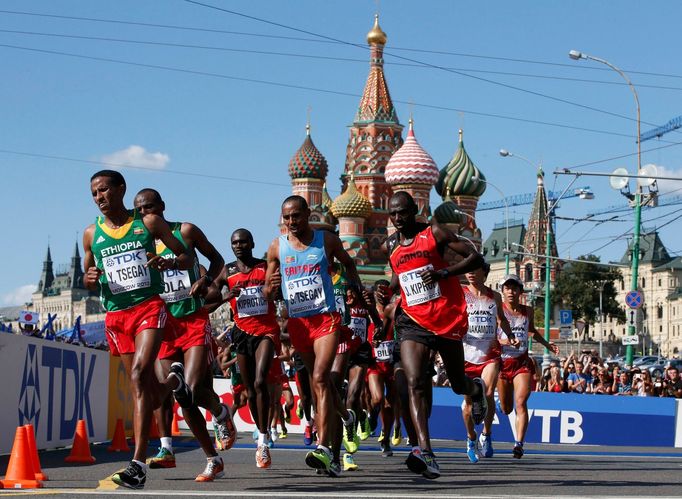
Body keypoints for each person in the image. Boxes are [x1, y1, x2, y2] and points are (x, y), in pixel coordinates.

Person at [83, 171, 194, 489]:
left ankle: (137, 464)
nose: (99, 197)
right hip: (116, 316)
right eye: (94, 193)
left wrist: (168, 263)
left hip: (148, 308)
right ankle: (174, 380)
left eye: (104, 190)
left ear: (120, 190)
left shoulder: (148, 223)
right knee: (143, 389)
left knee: (137, 377)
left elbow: (186, 257)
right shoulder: (91, 233)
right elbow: (88, 273)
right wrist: (89, 279)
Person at [382, 191, 487, 479]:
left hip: (445, 316)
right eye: (393, 214)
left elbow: (475, 258)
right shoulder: (391, 245)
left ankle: (476, 390)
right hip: (412, 320)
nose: (398, 218)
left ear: (414, 210)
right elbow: (398, 276)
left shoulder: (434, 233)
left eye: (402, 212)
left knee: (456, 384)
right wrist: (385, 288)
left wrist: (444, 274)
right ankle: (425, 452)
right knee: (414, 380)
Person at [133, 189, 234, 482]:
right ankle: (212, 458)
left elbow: (217, 260)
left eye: (150, 207)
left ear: (162, 207)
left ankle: (220, 412)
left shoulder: (185, 232)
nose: (145, 214)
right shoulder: (136, 242)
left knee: (188, 393)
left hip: (192, 321)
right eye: (139, 210)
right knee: (180, 394)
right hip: (162, 326)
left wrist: (204, 281)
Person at [263, 195, 368, 477]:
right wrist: (270, 288)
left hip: (326, 319)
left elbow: (348, 264)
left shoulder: (327, 240)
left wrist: (353, 288)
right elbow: (267, 292)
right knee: (320, 387)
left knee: (321, 378)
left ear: (307, 214)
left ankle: (322, 447)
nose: (291, 222)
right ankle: (343, 425)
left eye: (296, 216)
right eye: (286, 217)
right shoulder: (276, 247)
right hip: (299, 323)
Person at [209, 228, 281, 469]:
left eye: (243, 242)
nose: (239, 246)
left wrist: (273, 288)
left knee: (261, 382)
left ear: (251, 243)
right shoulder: (226, 271)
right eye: (235, 243)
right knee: (250, 390)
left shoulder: (264, 266)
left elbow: (278, 292)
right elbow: (209, 300)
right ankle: (259, 435)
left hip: (266, 331)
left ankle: (263, 442)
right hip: (241, 333)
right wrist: (225, 295)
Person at [496, 274, 559, 459]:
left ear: (520, 292)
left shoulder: (528, 311)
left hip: (521, 362)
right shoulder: (498, 310)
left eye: (514, 288)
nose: (511, 292)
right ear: (503, 291)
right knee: (507, 409)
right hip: (502, 363)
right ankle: (501, 402)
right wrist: (505, 341)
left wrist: (547, 344)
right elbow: (491, 337)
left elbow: (531, 331)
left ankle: (519, 444)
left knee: (521, 402)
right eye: (507, 288)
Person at [461, 264, 516, 463]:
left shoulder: (495, 297)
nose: (470, 272)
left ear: (484, 273)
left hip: (490, 353)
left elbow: (502, 320)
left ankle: (486, 434)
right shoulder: (461, 294)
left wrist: (510, 335)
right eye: (468, 269)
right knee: (468, 404)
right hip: (466, 355)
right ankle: (471, 438)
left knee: (486, 392)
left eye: (474, 269)